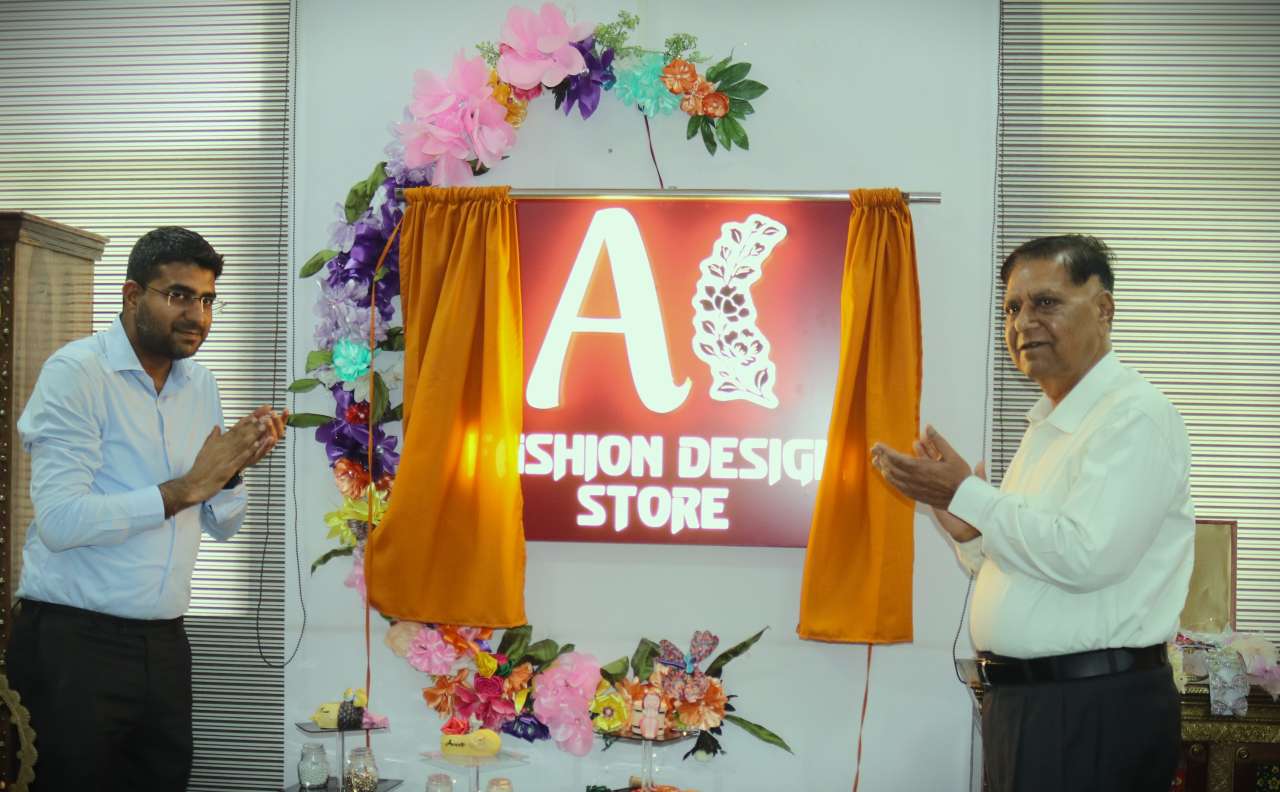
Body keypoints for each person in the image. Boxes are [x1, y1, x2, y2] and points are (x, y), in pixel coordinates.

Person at [870, 234, 1194, 791]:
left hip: (1091, 711)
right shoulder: (1049, 422)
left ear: (1104, 309)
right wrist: (968, 532)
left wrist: (970, 495)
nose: (1023, 322)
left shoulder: (1134, 417)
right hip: (1035, 706)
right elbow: (1036, 559)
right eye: (1012, 308)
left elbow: (1088, 556)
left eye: (1046, 302)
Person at [6, 226, 289, 791]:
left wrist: (231, 469)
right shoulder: (77, 373)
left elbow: (223, 524)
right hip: (73, 646)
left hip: (164, 646)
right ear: (132, 295)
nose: (198, 316)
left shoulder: (200, 385)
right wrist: (183, 489)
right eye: (179, 295)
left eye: (207, 300)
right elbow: (60, 522)